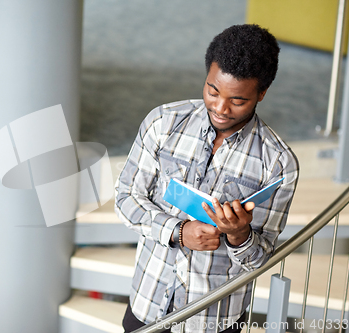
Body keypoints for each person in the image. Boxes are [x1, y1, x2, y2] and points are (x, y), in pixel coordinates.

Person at [114, 24, 299, 333]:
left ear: (261, 93)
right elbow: (125, 199)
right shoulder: (162, 123)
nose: (220, 108)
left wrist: (239, 235)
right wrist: (178, 231)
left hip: (215, 321)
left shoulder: (278, 164)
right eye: (213, 91)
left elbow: (259, 261)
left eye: (238, 100)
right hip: (148, 304)